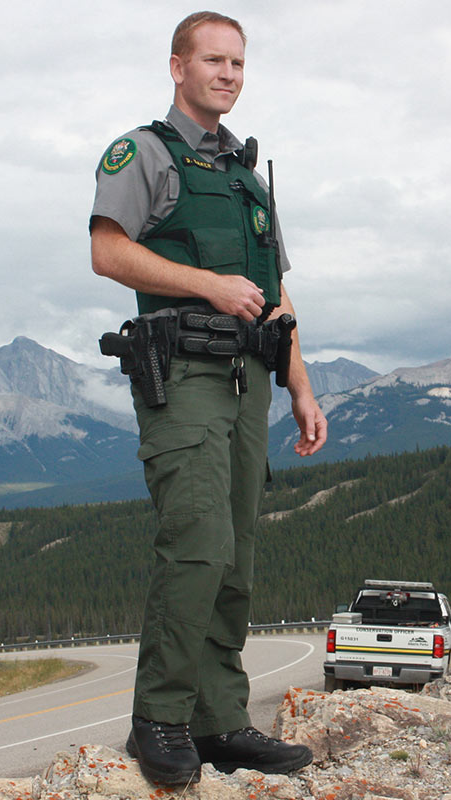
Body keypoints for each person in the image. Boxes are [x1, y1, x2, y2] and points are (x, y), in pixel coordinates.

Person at [89, 11, 327, 787]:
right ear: (177, 67)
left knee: (236, 558)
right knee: (194, 545)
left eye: (238, 63)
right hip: (185, 376)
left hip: (250, 382)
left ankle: (220, 722)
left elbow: (277, 293)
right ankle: (158, 719)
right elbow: (107, 249)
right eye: (213, 61)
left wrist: (300, 385)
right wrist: (206, 286)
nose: (228, 74)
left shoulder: (247, 180)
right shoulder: (145, 156)